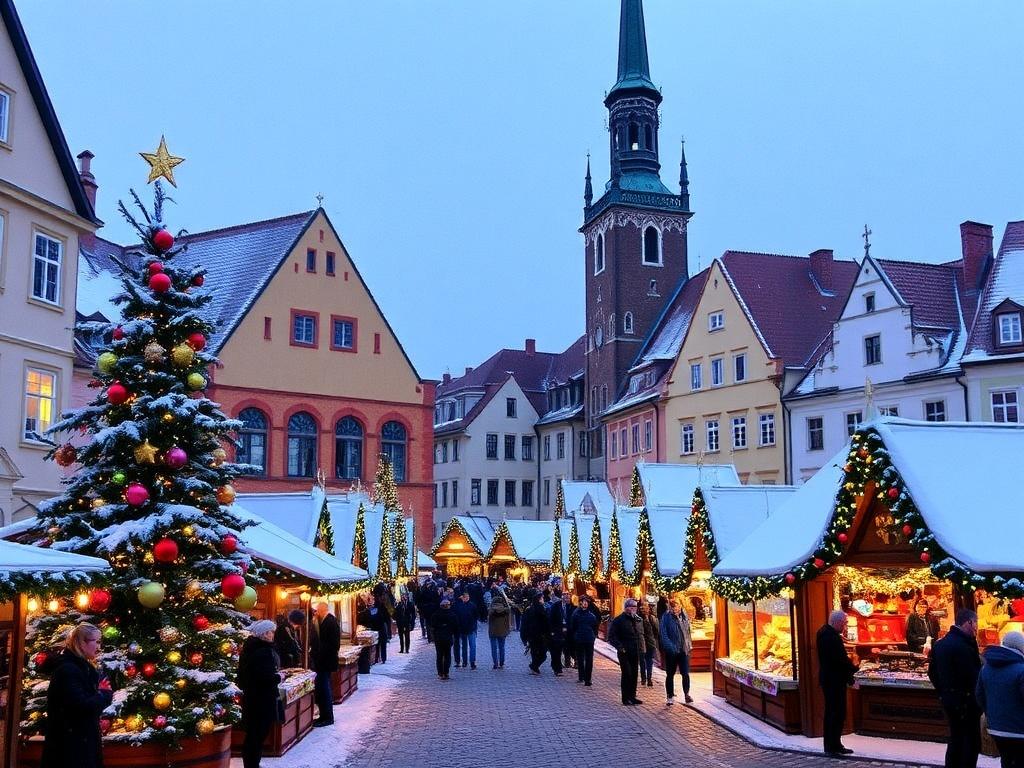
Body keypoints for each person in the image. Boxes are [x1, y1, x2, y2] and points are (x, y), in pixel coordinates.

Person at [40, 622, 112, 768]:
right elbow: (80, 706)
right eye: (96, 642)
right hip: (70, 751)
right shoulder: (69, 670)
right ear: (82, 642)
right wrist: (103, 694)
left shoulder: (83, 669)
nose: (99, 647)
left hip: (79, 747)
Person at [929, 608, 982, 768]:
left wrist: (943, 692)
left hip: (950, 701)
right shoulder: (964, 646)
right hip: (966, 702)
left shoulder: (941, 644)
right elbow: (974, 676)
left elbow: (932, 672)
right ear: (969, 622)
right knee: (969, 743)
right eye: (976, 623)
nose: (976, 627)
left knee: (955, 739)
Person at [237, 620, 282, 768]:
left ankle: (251, 763)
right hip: (262, 699)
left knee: (254, 734)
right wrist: (279, 677)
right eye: (271, 632)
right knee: (257, 735)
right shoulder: (262, 651)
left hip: (253, 697)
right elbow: (265, 677)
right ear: (264, 634)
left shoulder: (251, 648)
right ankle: (252, 764)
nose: (273, 634)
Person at [977, 630, 1024, 767]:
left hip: (996, 728)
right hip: (1019, 729)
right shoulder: (1021, 670)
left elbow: (979, 695)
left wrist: (991, 713)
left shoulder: (986, 668)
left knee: (1007, 761)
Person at [817, 609, 858, 757]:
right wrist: (854, 668)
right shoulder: (831, 637)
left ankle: (834, 744)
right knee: (836, 713)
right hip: (834, 681)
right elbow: (839, 661)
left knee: (832, 713)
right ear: (838, 622)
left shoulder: (824, 632)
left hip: (830, 679)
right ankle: (833, 746)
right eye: (845, 623)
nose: (845, 626)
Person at [607, 598, 644, 705]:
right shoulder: (619, 620)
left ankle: (632, 696)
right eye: (632, 607)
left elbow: (640, 634)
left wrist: (641, 647)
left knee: (634, 673)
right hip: (624, 652)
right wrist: (620, 647)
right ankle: (625, 697)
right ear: (626, 608)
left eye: (635, 608)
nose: (634, 610)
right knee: (626, 673)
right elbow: (612, 636)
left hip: (634, 650)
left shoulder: (637, 620)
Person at [310, 602, 340, 726]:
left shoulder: (329, 621)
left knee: (324, 689)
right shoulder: (328, 620)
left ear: (322, 610)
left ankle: (327, 717)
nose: (316, 613)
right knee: (323, 688)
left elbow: (330, 644)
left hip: (325, 662)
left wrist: (317, 654)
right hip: (325, 661)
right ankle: (324, 716)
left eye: (317, 611)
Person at [660, 599, 693, 704]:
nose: (676, 608)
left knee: (685, 673)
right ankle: (670, 696)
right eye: (673, 606)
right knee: (670, 674)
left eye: (677, 606)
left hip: (684, 649)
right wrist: (671, 647)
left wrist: (688, 645)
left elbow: (688, 632)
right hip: (672, 651)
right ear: (670, 607)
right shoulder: (666, 617)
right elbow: (663, 634)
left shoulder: (684, 616)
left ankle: (687, 694)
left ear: (680, 606)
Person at [570, 595, 599, 686]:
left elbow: (595, 627)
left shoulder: (592, 615)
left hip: (589, 639)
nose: (585, 604)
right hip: (579, 639)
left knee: (589, 659)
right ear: (580, 603)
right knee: (580, 658)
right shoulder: (576, 614)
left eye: (586, 602)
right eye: (583, 602)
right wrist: (575, 635)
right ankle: (581, 676)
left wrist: (593, 636)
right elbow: (573, 626)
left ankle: (588, 679)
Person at [358, 594, 392, 665]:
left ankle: (376, 659)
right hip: (382, 629)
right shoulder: (383, 609)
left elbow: (371, 619)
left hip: (376, 629)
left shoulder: (374, 610)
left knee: (377, 644)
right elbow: (387, 619)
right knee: (382, 645)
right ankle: (383, 658)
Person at [522, 592, 550, 675]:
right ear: (539, 600)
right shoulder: (540, 609)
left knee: (535, 652)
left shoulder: (530, 609)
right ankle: (534, 666)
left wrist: (525, 635)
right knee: (542, 654)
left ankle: (535, 667)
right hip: (539, 635)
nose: (543, 600)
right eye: (542, 598)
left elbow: (524, 623)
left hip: (533, 635)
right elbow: (546, 622)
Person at [430, 598, 459, 679]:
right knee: (447, 655)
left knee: (439, 655)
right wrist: (455, 637)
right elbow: (456, 628)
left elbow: (432, 626)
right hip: (448, 638)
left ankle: (440, 672)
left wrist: (433, 636)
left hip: (438, 638)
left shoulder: (435, 615)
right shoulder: (453, 615)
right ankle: (446, 672)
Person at [452, 591, 479, 669]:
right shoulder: (459, 606)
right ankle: (465, 662)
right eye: (465, 597)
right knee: (465, 646)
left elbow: (476, 616)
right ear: (462, 598)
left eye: (468, 597)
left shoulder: (472, 605)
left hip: (470, 629)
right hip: (464, 629)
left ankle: (471, 662)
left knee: (472, 646)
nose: (467, 598)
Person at [487, 586, 513, 669]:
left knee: (494, 648)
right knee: (502, 647)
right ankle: (501, 663)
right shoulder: (506, 610)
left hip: (493, 631)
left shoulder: (491, 609)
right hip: (503, 631)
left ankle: (495, 663)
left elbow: (488, 619)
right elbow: (508, 620)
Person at [638, 601, 659, 688]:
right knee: (643, 660)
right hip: (642, 642)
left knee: (648, 660)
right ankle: (644, 677)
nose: (644, 610)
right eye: (642, 608)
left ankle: (649, 678)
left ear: (649, 609)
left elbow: (656, 630)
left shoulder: (652, 618)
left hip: (650, 642)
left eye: (645, 608)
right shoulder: (638, 618)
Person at [548, 593, 569, 676]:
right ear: (562, 598)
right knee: (557, 650)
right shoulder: (555, 606)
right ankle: (557, 668)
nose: (568, 599)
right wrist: (552, 631)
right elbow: (551, 619)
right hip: (557, 631)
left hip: (567, 631)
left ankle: (564, 664)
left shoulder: (571, 607)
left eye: (568, 598)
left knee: (565, 650)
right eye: (566, 598)